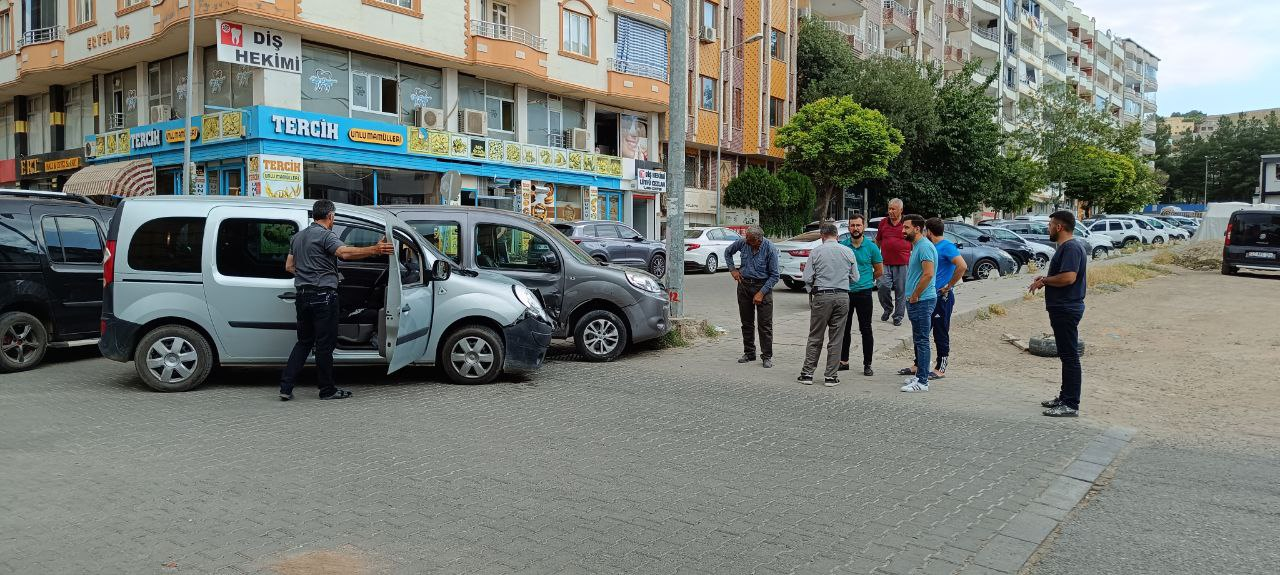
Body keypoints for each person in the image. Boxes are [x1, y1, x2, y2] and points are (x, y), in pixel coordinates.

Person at [279, 199, 394, 401]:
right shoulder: (325, 235)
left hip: (303, 297)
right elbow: (344, 253)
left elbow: (289, 266)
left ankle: (286, 387)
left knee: (304, 342)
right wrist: (375, 250)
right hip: (323, 297)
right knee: (325, 345)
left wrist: (308, 273)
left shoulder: (297, 237)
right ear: (330, 216)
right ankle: (327, 390)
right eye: (334, 216)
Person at [1030, 210, 1089, 417]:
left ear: (1059, 227)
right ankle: (1064, 397)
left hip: (1066, 308)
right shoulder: (1068, 247)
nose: (1048, 229)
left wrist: (1045, 281)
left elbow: (1068, 278)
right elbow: (1062, 276)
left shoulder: (1071, 248)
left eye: (1050, 225)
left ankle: (1071, 404)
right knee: (1066, 355)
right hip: (1062, 307)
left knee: (1070, 356)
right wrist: (1045, 279)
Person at [797, 222, 859, 387]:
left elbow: (807, 277)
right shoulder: (848, 252)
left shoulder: (816, 252)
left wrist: (812, 290)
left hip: (822, 295)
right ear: (837, 236)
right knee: (837, 338)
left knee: (815, 336)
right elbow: (856, 277)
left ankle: (807, 373)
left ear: (822, 237)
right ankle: (831, 376)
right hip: (842, 296)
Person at [726, 225, 780, 369]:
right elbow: (728, 252)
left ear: (758, 240)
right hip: (744, 286)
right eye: (746, 239)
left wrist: (761, 293)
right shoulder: (743, 242)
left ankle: (767, 356)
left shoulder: (770, 248)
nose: (747, 242)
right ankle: (749, 352)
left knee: (765, 325)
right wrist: (733, 270)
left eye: (750, 240)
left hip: (763, 287)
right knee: (747, 322)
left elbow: (775, 276)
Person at [839, 213, 884, 376]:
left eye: (858, 225)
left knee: (866, 329)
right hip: (846, 293)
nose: (855, 228)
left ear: (863, 227)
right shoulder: (842, 246)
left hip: (864, 293)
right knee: (844, 329)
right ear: (849, 227)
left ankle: (867, 364)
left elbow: (879, 270)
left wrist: (866, 280)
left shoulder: (872, 247)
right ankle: (843, 361)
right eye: (852, 225)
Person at [923, 218, 966, 379]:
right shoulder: (931, 246)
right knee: (922, 331)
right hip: (928, 296)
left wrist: (949, 285)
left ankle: (940, 367)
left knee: (940, 331)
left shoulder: (946, 246)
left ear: (929, 231)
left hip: (943, 297)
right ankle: (918, 363)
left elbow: (962, 266)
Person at [898, 214, 936, 393]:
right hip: (917, 300)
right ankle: (920, 375)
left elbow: (928, 274)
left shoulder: (925, 247)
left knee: (922, 340)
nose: (903, 230)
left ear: (917, 229)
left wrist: (915, 295)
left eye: (906, 227)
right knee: (919, 339)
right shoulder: (918, 246)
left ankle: (922, 382)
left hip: (922, 300)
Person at [875, 198, 912, 326]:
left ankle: (898, 316)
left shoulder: (907, 223)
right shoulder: (883, 223)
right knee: (882, 286)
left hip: (903, 263)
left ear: (901, 210)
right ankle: (888, 308)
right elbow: (878, 240)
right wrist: (876, 258)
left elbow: (914, 240)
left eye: (893, 209)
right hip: (885, 262)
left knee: (901, 291)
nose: (890, 211)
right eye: (889, 208)